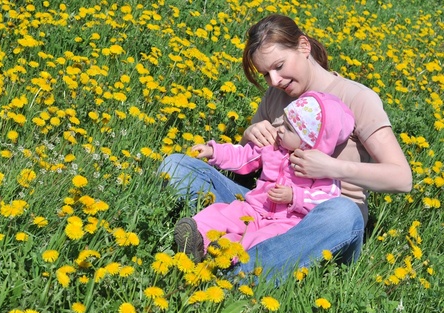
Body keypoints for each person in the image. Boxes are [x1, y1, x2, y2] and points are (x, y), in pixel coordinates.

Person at [158, 14, 412, 283]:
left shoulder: (357, 98)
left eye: (279, 66)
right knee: (175, 165)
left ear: (304, 46)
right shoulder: (275, 96)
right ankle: (226, 243)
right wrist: (249, 135)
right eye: (266, 74)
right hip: (268, 206)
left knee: (344, 213)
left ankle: (242, 275)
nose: (275, 80)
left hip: (322, 223)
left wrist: (331, 167)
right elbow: (248, 160)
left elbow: (402, 178)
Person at [174, 91, 355, 263]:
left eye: (289, 129)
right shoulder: (273, 148)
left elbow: (326, 199)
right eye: (283, 122)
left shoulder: (319, 167)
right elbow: (244, 156)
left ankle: (226, 254)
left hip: (287, 222)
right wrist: (214, 151)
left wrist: (295, 196)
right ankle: (196, 236)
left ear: (309, 142)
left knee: (261, 240)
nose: (281, 130)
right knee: (224, 213)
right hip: (255, 209)